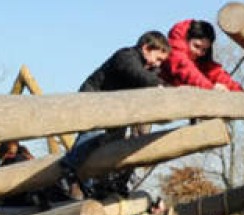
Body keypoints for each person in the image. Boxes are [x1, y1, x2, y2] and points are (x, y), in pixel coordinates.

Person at [58, 31, 171, 201]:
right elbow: (135, 73)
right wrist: (158, 86)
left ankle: (103, 183)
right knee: (93, 135)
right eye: (158, 58)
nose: (158, 63)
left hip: (116, 112)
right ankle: (68, 169)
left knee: (114, 145)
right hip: (94, 99)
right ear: (146, 48)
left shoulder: (150, 70)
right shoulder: (126, 56)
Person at [163, 19, 242, 92]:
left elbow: (215, 73)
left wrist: (240, 91)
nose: (199, 52)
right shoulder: (175, 50)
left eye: (204, 50)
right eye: (196, 46)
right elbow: (185, 68)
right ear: (187, 40)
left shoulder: (200, 59)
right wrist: (210, 88)